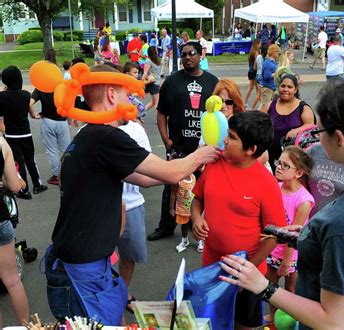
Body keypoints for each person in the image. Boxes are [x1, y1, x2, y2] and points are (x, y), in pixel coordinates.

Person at [219, 80, 344, 329]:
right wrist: (311, 237)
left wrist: (263, 287)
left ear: (340, 139)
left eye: (320, 132)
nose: (316, 140)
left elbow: (331, 321)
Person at [44, 64, 219, 324]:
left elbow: (147, 178)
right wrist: (202, 153)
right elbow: (170, 172)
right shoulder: (107, 136)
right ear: (112, 95)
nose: (133, 101)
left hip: (81, 262)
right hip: (81, 269)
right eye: (128, 94)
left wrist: (184, 171)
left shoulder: (90, 136)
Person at [192, 111, 287, 330]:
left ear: (251, 149)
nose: (225, 139)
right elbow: (198, 199)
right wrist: (196, 218)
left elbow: (275, 235)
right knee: (211, 321)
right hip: (211, 268)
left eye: (232, 137)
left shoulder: (266, 183)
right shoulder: (215, 164)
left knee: (244, 324)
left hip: (248, 273)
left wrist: (248, 270)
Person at [148, 41, 219, 241]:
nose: (188, 57)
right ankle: (166, 225)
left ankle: (203, 228)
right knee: (171, 187)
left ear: (200, 55)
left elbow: (222, 112)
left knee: (204, 189)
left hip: (204, 148)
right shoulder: (172, 82)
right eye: (184, 54)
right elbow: (161, 113)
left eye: (192, 53)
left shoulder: (212, 82)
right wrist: (166, 139)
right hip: (178, 147)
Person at [266, 146, 314, 322]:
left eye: (285, 165)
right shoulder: (275, 187)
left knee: (291, 291)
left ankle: (290, 323)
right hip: (272, 249)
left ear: (299, 172)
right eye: (279, 162)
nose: (278, 166)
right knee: (269, 288)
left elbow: (294, 235)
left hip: (291, 253)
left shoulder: (303, 200)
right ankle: (273, 317)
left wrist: (286, 262)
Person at [117, 118, 152, 313]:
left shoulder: (136, 129)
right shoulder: (88, 131)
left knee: (128, 256)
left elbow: (147, 165)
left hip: (131, 204)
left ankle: (122, 292)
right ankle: (111, 297)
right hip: (101, 207)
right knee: (100, 259)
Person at [0, 65, 48, 200]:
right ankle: (37, 184)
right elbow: (31, 113)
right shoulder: (26, 95)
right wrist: (35, 115)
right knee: (30, 159)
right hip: (26, 133)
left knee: (17, 162)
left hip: (11, 134)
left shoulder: (2, 97)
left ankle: (24, 189)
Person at [0, 137, 29, 323]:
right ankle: (27, 326)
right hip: (0, 218)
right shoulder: (1, 143)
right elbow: (14, 185)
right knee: (12, 279)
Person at [261, 74, 314, 173]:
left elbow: (310, 125)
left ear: (296, 89)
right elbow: (258, 125)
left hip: (292, 158)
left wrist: (297, 130)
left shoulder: (303, 108)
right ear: (278, 87)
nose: (285, 89)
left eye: (290, 87)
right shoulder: (269, 105)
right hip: (269, 155)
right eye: (283, 86)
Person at [30, 85, 72, 186]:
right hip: (62, 121)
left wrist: (33, 114)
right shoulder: (63, 86)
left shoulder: (41, 87)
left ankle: (56, 176)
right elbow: (69, 105)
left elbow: (30, 103)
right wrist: (69, 122)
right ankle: (68, 173)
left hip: (48, 121)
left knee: (52, 151)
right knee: (66, 149)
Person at [171, 170, 196, 253]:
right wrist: (171, 208)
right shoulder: (178, 180)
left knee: (195, 225)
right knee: (184, 225)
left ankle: (199, 241)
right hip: (182, 209)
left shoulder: (193, 177)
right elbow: (173, 194)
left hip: (193, 208)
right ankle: (185, 240)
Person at [259, 44, 280, 109]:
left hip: (271, 88)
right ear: (273, 52)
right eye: (277, 52)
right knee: (265, 106)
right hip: (268, 88)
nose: (278, 54)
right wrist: (276, 73)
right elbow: (266, 76)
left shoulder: (272, 62)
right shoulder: (268, 63)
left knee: (267, 106)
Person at [142, 45, 161, 112]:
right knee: (157, 103)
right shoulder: (148, 61)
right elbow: (145, 73)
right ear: (153, 52)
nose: (157, 51)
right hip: (153, 83)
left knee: (153, 102)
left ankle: (141, 114)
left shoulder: (155, 60)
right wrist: (142, 82)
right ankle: (158, 120)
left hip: (156, 83)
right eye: (156, 50)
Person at [244, 39, 261, 108]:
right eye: (260, 44)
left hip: (251, 72)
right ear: (257, 44)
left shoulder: (252, 51)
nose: (260, 45)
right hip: (254, 72)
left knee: (254, 88)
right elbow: (256, 63)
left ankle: (245, 103)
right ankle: (260, 104)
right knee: (258, 90)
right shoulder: (255, 52)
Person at [251, 45, 267, 110]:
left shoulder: (258, 56)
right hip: (262, 76)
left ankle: (261, 107)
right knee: (259, 93)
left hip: (257, 75)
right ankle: (252, 108)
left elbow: (254, 67)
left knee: (260, 93)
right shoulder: (266, 58)